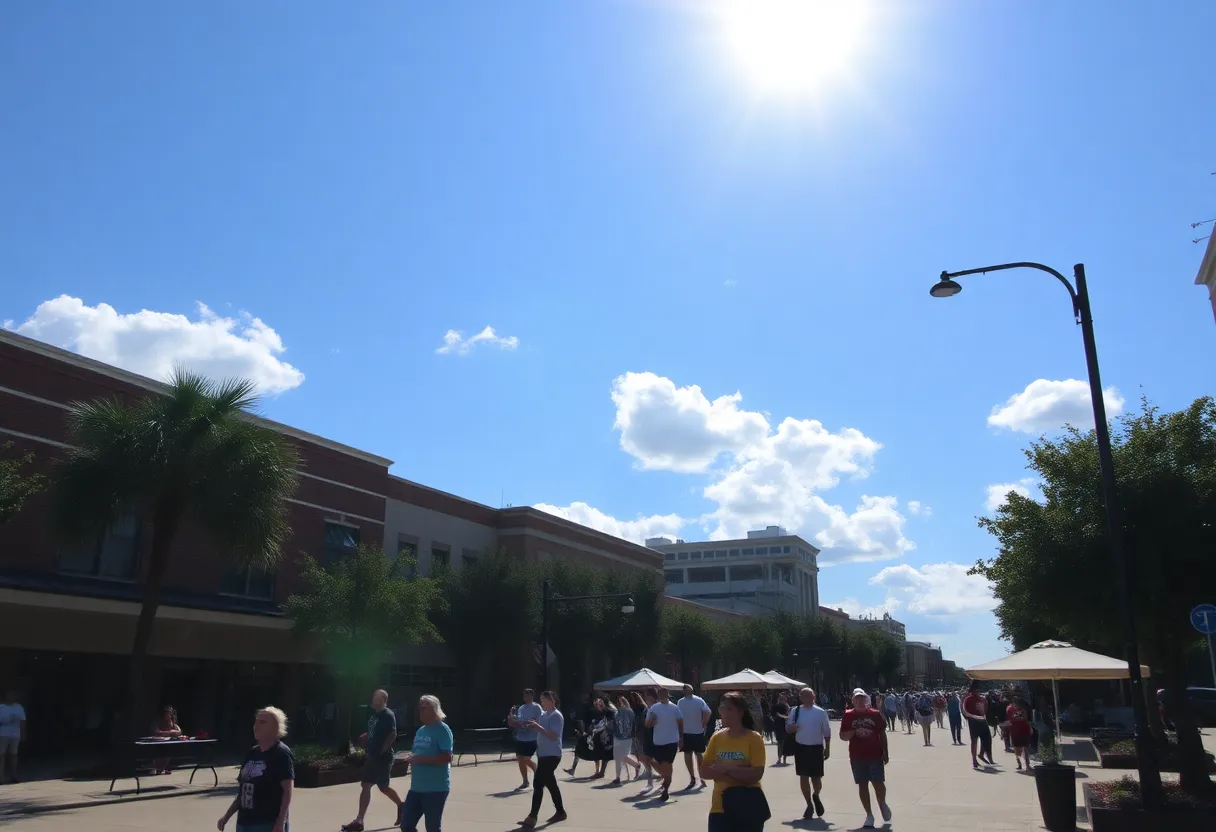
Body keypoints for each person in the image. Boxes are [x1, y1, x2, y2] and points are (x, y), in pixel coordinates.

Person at [217, 706, 294, 832]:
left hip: (266, 823)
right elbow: (243, 791)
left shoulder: (281, 753)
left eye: (262, 722)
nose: (256, 726)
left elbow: (287, 791)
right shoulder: (252, 752)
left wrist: (281, 822)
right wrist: (226, 816)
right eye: (256, 721)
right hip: (244, 823)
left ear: (276, 727)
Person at [701, 691, 768, 832]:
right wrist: (739, 770)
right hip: (719, 807)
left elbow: (755, 775)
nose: (723, 712)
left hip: (748, 805)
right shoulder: (717, 737)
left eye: (728, 708)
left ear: (741, 711)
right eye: (722, 708)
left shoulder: (754, 738)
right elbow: (704, 771)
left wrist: (723, 769)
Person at [342, 689, 402, 832]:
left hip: (383, 757)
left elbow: (392, 734)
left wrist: (382, 751)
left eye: (375, 697)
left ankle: (402, 805)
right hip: (371, 755)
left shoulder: (388, 714)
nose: (372, 699)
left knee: (383, 787)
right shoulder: (374, 717)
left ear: (382, 700)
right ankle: (359, 820)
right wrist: (366, 737)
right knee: (366, 785)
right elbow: (375, 733)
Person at [840, 689, 891, 830]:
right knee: (862, 785)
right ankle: (869, 815)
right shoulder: (848, 715)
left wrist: (885, 752)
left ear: (866, 700)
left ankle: (882, 802)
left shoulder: (875, 714)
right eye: (857, 699)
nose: (860, 701)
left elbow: (882, 733)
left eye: (862, 698)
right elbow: (843, 736)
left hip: (875, 754)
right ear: (853, 701)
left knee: (878, 783)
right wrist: (853, 732)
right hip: (857, 756)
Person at [400, 695, 453, 832]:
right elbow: (419, 753)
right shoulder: (421, 731)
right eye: (419, 708)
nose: (420, 711)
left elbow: (447, 757)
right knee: (406, 825)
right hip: (416, 788)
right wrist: (412, 757)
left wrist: (420, 759)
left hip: (435, 789)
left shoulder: (442, 729)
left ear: (434, 709)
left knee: (432, 828)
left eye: (424, 708)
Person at [519, 690, 565, 828]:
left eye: (544, 700)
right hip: (543, 754)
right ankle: (560, 811)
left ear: (552, 700)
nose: (542, 702)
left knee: (538, 783)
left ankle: (532, 816)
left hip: (552, 754)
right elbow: (541, 730)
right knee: (550, 783)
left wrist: (538, 727)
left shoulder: (556, 716)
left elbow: (554, 735)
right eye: (541, 700)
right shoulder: (544, 715)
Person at [785, 687, 831, 820]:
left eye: (810, 696)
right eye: (804, 696)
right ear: (801, 698)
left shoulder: (820, 712)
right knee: (803, 776)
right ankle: (809, 805)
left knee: (816, 778)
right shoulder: (796, 711)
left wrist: (827, 748)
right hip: (801, 748)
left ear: (814, 697)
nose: (807, 698)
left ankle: (816, 795)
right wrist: (791, 727)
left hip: (816, 748)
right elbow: (788, 727)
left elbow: (827, 731)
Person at [645, 686, 684, 801]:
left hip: (671, 741)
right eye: (660, 694)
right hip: (658, 741)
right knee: (663, 767)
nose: (662, 696)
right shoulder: (654, 708)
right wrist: (652, 721)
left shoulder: (674, 707)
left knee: (667, 765)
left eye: (664, 693)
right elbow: (647, 724)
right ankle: (666, 782)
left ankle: (666, 789)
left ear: (667, 695)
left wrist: (682, 738)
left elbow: (681, 722)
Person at [678, 684, 712, 789]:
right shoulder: (681, 702)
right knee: (690, 755)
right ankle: (693, 777)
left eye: (690, 689)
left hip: (696, 731)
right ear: (684, 691)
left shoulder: (698, 700)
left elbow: (708, 712)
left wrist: (704, 723)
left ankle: (700, 777)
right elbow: (678, 715)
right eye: (687, 689)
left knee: (698, 754)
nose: (689, 691)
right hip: (687, 732)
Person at [508, 689, 543, 790]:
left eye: (528, 696)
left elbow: (539, 721)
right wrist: (512, 715)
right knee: (520, 759)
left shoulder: (537, 707)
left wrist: (530, 724)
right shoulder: (522, 708)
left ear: (532, 696)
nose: (526, 698)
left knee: (526, 759)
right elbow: (517, 720)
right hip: (521, 737)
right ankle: (525, 781)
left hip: (532, 737)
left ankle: (538, 771)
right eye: (524, 696)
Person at [963, 681, 994, 768]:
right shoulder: (968, 699)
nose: (977, 691)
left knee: (987, 739)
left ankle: (982, 754)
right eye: (975, 689)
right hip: (973, 722)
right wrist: (972, 717)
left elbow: (986, 710)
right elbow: (965, 710)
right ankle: (974, 760)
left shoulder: (983, 699)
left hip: (982, 721)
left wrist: (983, 716)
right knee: (974, 741)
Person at [611, 695, 641, 784]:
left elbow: (633, 724)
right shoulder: (617, 713)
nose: (621, 704)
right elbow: (615, 725)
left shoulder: (629, 712)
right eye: (620, 702)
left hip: (626, 737)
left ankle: (636, 765)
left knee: (624, 756)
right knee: (618, 758)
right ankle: (618, 777)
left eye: (622, 701)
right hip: (618, 737)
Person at [629, 691, 655, 792]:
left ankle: (650, 780)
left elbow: (646, 724)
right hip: (637, 736)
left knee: (646, 758)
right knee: (640, 757)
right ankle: (648, 775)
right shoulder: (635, 710)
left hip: (644, 737)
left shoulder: (644, 710)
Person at [0, 690, 27, 785]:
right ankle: (1, 777)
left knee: (13, 755)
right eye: (9, 695)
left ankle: (13, 776)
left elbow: (23, 721)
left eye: (13, 695)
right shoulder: (1, 707)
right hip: (2, 733)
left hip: (15, 734)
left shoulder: (19, 707)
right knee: (1, 755)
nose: (11, 697)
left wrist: (23, 734)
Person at [150, 705, 183, 775]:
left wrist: (173, 732)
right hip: (157, 742)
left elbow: (179, 732)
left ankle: (162, 769)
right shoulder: (158, 721)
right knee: (157, 752)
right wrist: (171, 732)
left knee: (168, 752)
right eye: (166, 714)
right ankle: (155, 768)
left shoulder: (172, 722)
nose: (167, 715)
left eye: (169, 714)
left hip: (167, 742)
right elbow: (156, 732)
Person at [1005, 697, 1032, 771]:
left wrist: (1030, 728)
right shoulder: (1009, 709)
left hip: (1024, 730)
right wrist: (1006, 731)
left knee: (1026, 748)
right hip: (1015, 731)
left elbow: (1026, 719)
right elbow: (1008, 720)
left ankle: (1027, 765)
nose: (1017, 705)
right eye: (1016, 703)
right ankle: (1019, 764)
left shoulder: (1023, 709)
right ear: (1013, 703)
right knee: (1017, 749)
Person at [772, 694, 791, 766]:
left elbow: (789, 714)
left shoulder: (787, 706)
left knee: (785, 743)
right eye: (780, 698)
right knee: (779, 743)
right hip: (778, 726)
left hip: (785, 726)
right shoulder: (775, 706)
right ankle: (779, 758)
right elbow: (776, 714)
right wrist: (784, 717)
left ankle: (784, 759)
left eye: (783, 698)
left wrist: (788, 710)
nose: (782, 699)